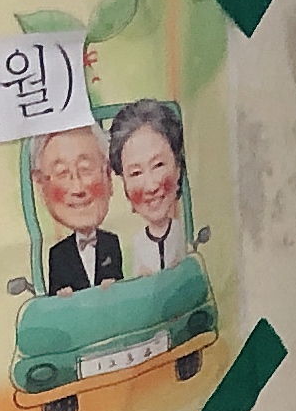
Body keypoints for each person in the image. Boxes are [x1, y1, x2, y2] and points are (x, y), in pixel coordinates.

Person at [32, 124, 124, 294]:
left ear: (108, 174)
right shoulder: (58, 253)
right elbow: (55, 294)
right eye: (62, 173)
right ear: (40, 186)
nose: (78, 188)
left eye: (85, 169)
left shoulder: (111, 241)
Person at [109, 98, 190, 278]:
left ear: (178, 167)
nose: (151, 186)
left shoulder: (184, 232)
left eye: (158, 165)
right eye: (136, 173)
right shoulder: (138, 242)